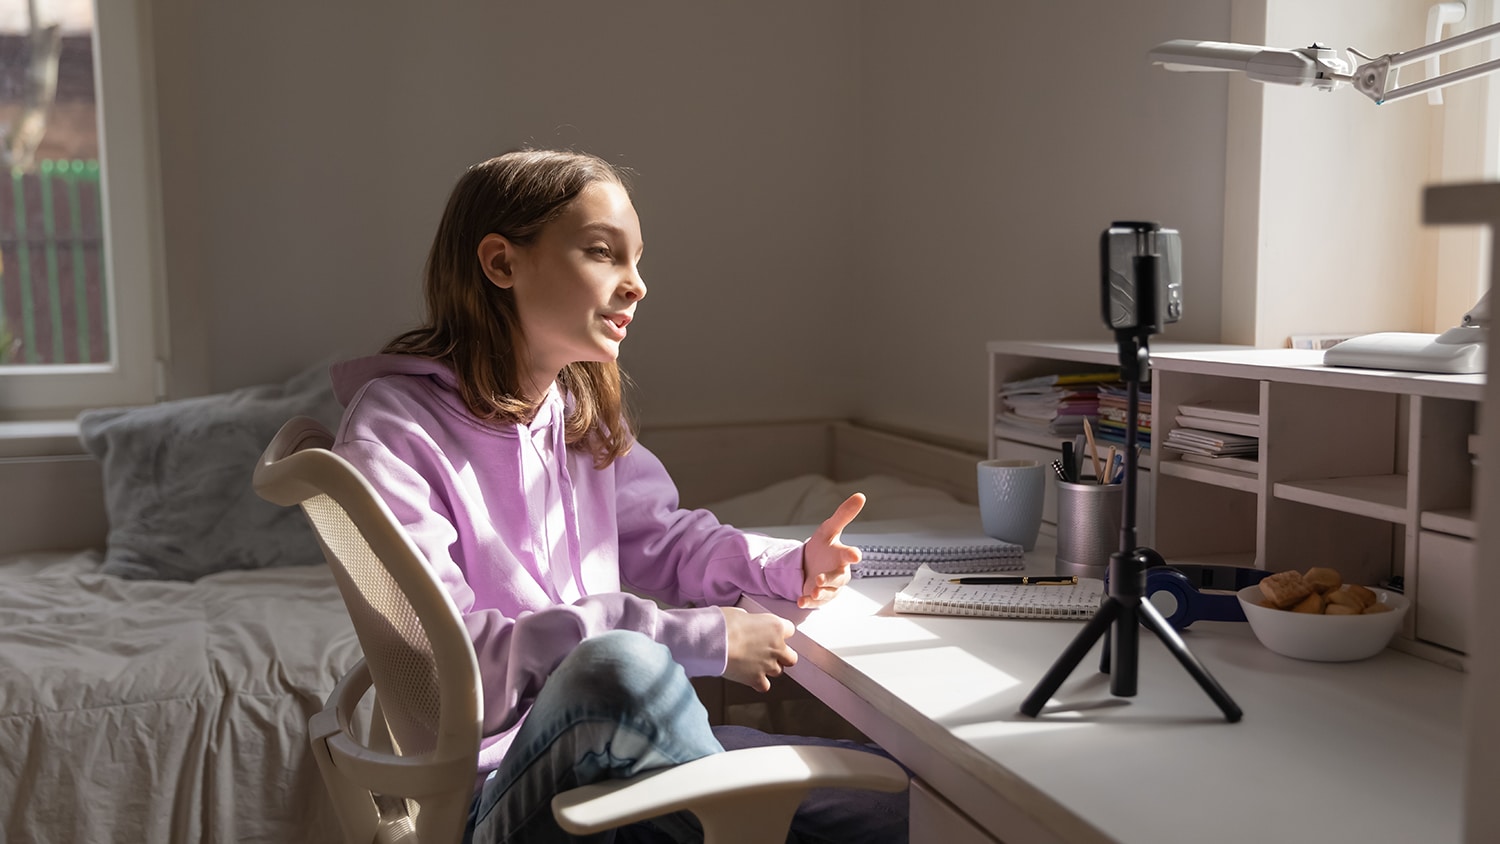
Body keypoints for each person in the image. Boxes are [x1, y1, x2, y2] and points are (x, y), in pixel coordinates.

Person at [329, 148, 909, 843]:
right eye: (604, 254)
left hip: (620, 766)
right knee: (621, 666)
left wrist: (788, 567)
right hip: (498, 796)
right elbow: (461, 669)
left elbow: (664, 537)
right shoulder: (392, 430)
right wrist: (703, 636)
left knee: (913, 801)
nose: (636, 286)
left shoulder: (577, 410)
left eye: (638, 261)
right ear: (502, 264)